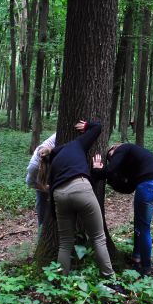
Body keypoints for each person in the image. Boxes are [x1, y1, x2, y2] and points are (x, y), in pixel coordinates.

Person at [36, 120, 120, 289]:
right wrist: (87, 125)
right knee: (98, 238)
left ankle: (61, 282)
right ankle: (110, 281)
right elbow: (98, 128)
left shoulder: (52, 162)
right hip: (81, 187)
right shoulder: (76, 144)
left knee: (65, 242)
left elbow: (52, 197)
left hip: (59, 195)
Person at [92, 143, 153, 276]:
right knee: (140, 225)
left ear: (115, 147)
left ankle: (146, 267)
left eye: (110, 155)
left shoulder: (123, 148)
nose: (111, 158)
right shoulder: (134, 164)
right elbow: (128, 188)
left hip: (148, 188)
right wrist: (111, 179)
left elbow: (110, 170)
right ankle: (136, 258)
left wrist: (97, 171)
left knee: (143, 228)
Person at [26, 133, 56, 228]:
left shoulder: (53, 140)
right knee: (42, 205)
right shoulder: (34, 166)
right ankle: (42, 230)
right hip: (41, 183)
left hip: (53, 178)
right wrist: (46, 188)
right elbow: (30, 182)